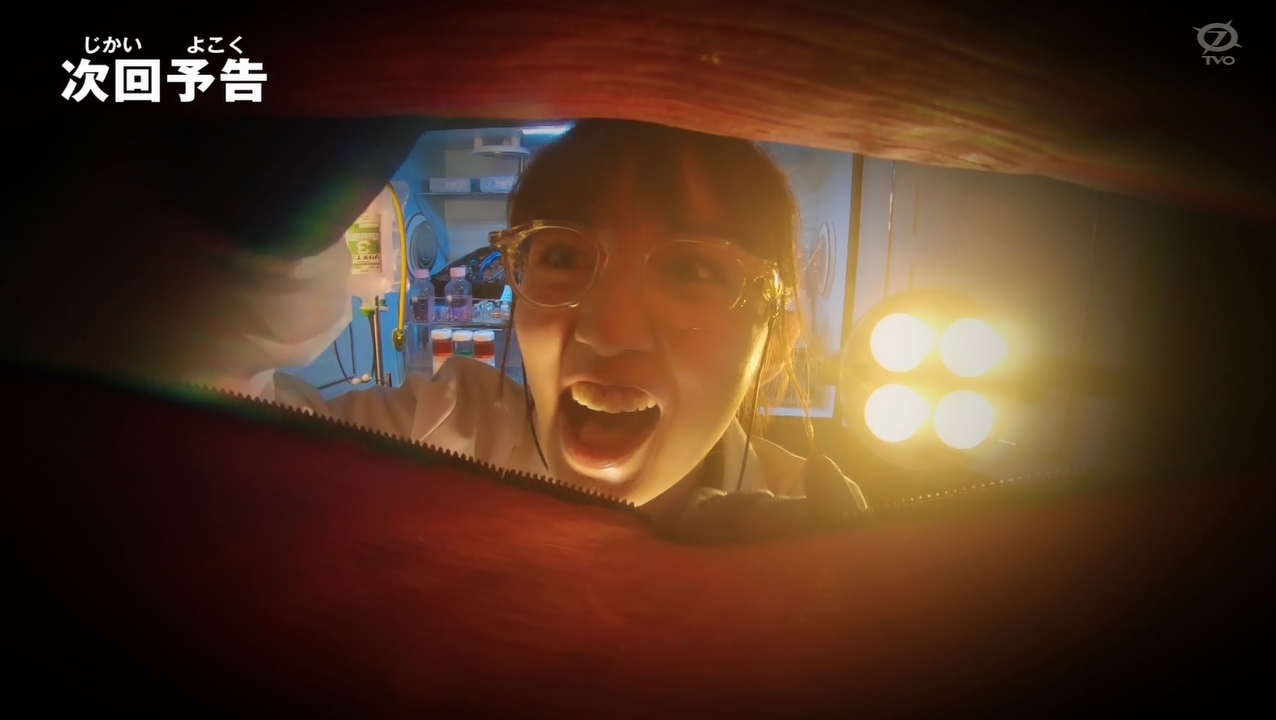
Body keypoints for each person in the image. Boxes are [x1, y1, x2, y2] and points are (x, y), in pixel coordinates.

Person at [263, 119, 867, 523]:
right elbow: (235, 445)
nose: (608, 331)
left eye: (691, 271)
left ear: (777, 341)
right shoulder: (437, 435)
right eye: (563, 258)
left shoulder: (816, 528)